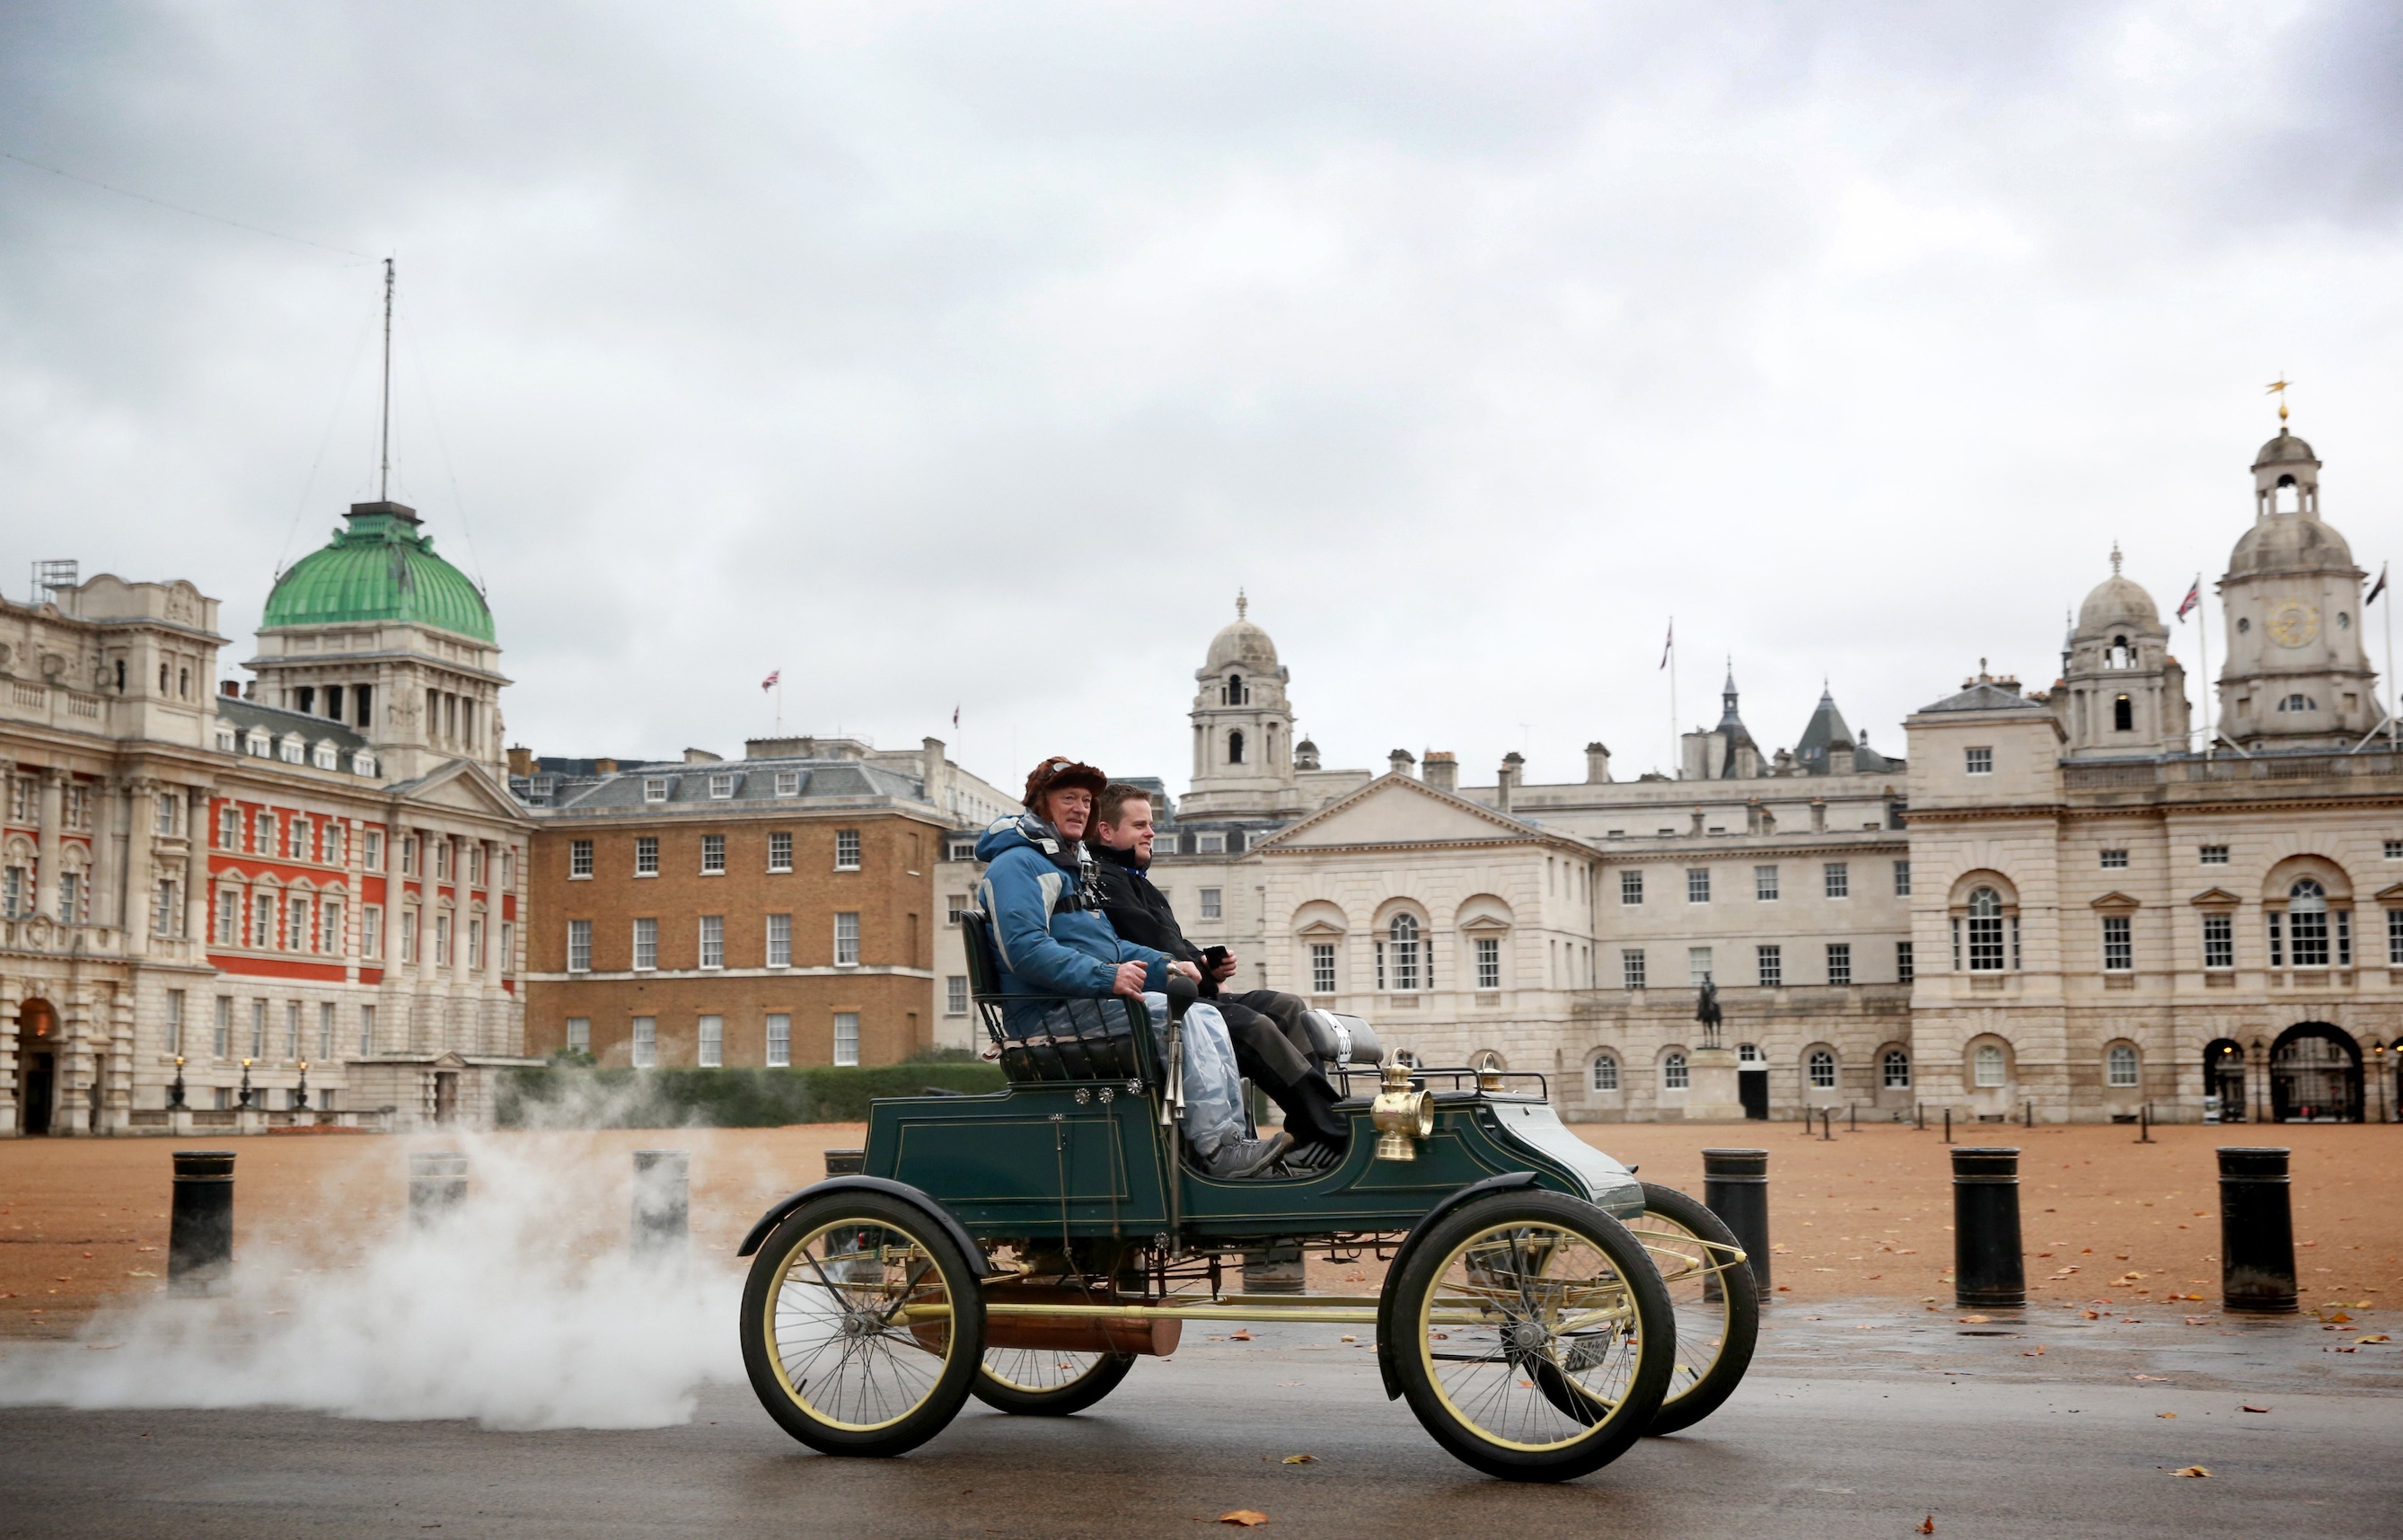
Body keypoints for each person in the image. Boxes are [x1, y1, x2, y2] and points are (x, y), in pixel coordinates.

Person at [974, 756, 1290, 1178]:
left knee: (1204, 1012)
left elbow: (1109, 944)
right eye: (1068, 798)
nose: (1080, 808)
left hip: (1081, 1004)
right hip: (1048, 1016)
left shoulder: (1066, 865)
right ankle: (1219, 1151)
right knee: (1183, 1018)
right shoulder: (1018, 865)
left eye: (1086, 800)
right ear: (1038, 804)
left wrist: (1166, 966)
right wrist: (1106, 976)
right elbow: (1026, 951)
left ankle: (1235, 1145)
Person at [1086, 782, 1351, 1171]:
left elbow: (1173, 942)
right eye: (1140, 825)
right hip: (1157, 1000)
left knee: (1286, 1006)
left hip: (1188, 990)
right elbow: (1152, 944)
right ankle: (1333, 1129)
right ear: (1107, 832)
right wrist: (1202, 973)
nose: (1151, 832)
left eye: (1151, 824)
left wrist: (1207, 967)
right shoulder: (1105, 881)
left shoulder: (1135, 880)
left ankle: (1308, 1135)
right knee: (1253, 1025)